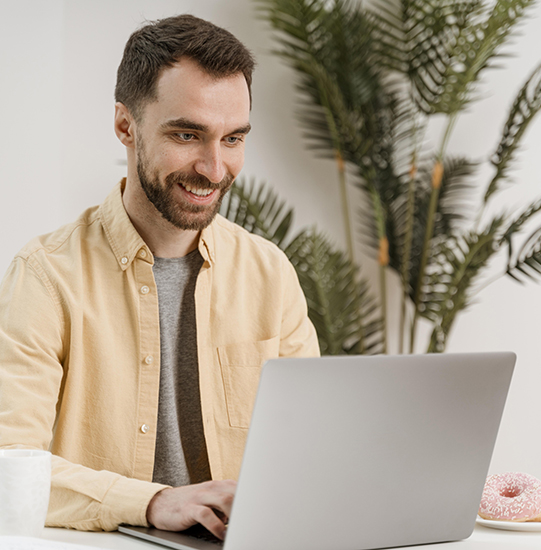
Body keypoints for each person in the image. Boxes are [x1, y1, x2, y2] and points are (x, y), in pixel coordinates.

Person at [0, 14, 319, 541]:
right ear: (126, 126)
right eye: (187, 134)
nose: (215, 169)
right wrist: (154, 502)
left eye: (233, 138)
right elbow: (9, 465)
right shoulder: (45, 276)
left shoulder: (269, 273)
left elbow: (314, 451)